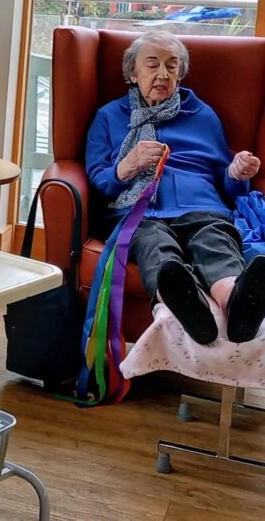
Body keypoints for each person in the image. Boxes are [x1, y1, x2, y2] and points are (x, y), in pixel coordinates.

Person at [86, 30, 264, 345]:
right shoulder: (110, 117)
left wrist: (236, 174)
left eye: (172, 66)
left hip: (202, 206)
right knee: (155, 246)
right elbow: (98, 181)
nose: (163, 74)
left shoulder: (202, 115)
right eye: (152, 65)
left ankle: (236, 307)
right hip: (139, 212)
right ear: (132, 72)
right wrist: (127, 165)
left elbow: (224, 180)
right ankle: (194, 313)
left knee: (214, 240)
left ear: (180, 73)